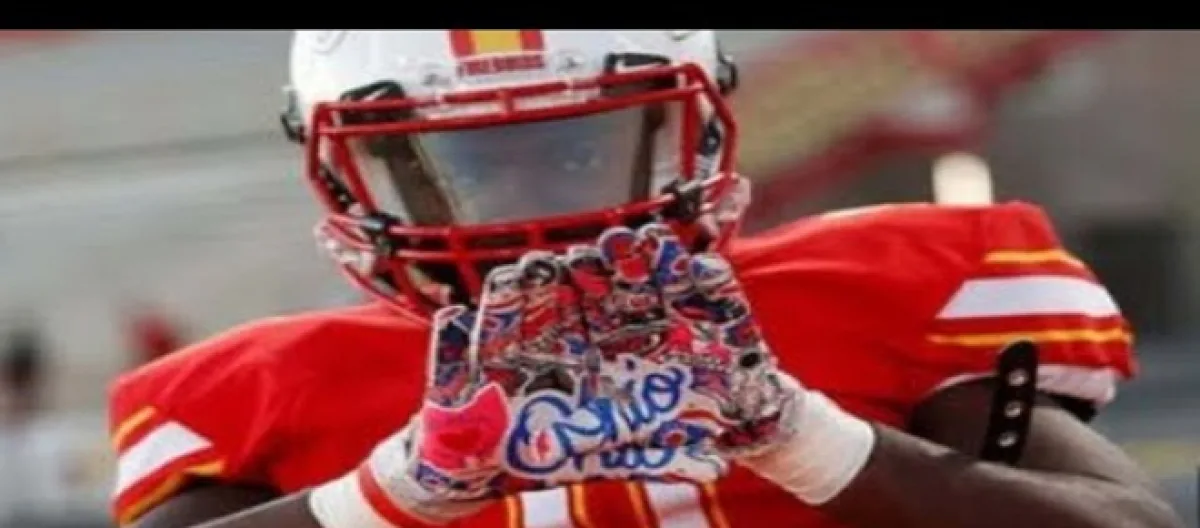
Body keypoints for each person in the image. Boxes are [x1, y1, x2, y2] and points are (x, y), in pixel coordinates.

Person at [107, 30, 1182, 528]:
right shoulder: (274, 388)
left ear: (693, 133)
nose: (528, 210)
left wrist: (804, 438)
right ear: (353, 171)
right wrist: (388, 495)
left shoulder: (874, 293)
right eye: (457, 166)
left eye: (583, 147)